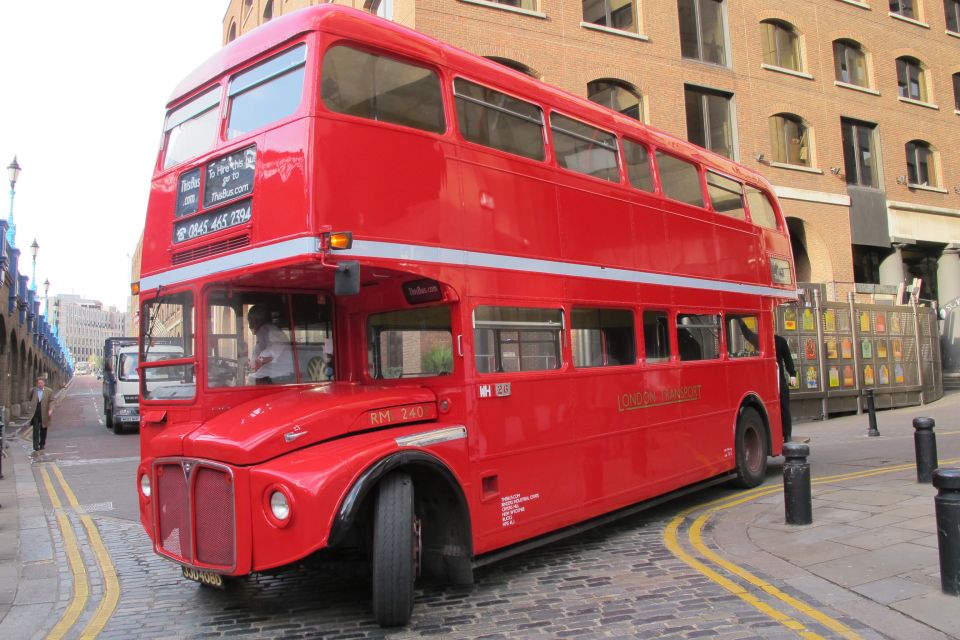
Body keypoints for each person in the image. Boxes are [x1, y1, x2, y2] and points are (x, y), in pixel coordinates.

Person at [246, 305, 295, 385]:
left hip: (279, 377)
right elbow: (258, 350)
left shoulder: (267, 329)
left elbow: (274, 351)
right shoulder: (265, 331)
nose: (249, 325)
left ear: (257, 320)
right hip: (276, 375)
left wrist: (259, 360)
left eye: (250, 320)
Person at [775, 334, 798, 443]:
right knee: (782, 408)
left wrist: (792, 374)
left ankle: (787, 434)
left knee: (784, 407)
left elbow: (788, 358)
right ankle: (781, 433)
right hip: (773, 378)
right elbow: (748, 335)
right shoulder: (760, 339)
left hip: (779, 379)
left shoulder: (780, 341)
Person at [28, 377, 53, 452]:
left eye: (41, 383)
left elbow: (51, 401)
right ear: (37, 383)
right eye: (39, 383)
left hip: (44, 413)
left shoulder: (49, 391)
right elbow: (29, 398)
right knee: (35, 430)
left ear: (44, 383)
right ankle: (35, 446)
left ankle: (42, 444)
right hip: (35, 413)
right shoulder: (33, 390)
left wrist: (51, 409)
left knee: (43, 429)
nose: (40, 384)